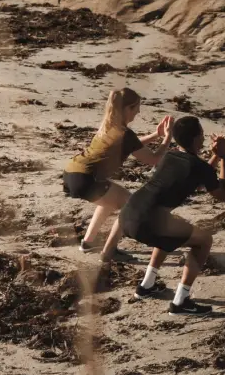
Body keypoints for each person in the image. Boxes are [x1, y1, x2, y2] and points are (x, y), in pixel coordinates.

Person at [121, 115, 225, 316]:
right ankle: (181, 302)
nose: (204, 138)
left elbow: (198, 174)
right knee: (204, 241)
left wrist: (214, 157)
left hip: (129, 213)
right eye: (202, 135)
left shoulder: (169, 156)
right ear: (197, 139)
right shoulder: (199, 167)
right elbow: (222, 195)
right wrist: (224, 158)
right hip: (148, 220)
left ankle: (147, 285)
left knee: (169, 229)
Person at [63, 87, 173, 263]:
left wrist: (156, 135)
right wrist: (167, 138)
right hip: (86, 178)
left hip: (72, 173)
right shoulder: (124, 133)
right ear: (128, 108)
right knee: (130, 204)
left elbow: (133, 146)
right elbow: (153, 159)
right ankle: (109, 251)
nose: (137, 113)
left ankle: (88, 243)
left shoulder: (108, 126)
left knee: (109, 201)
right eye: (136, 109)